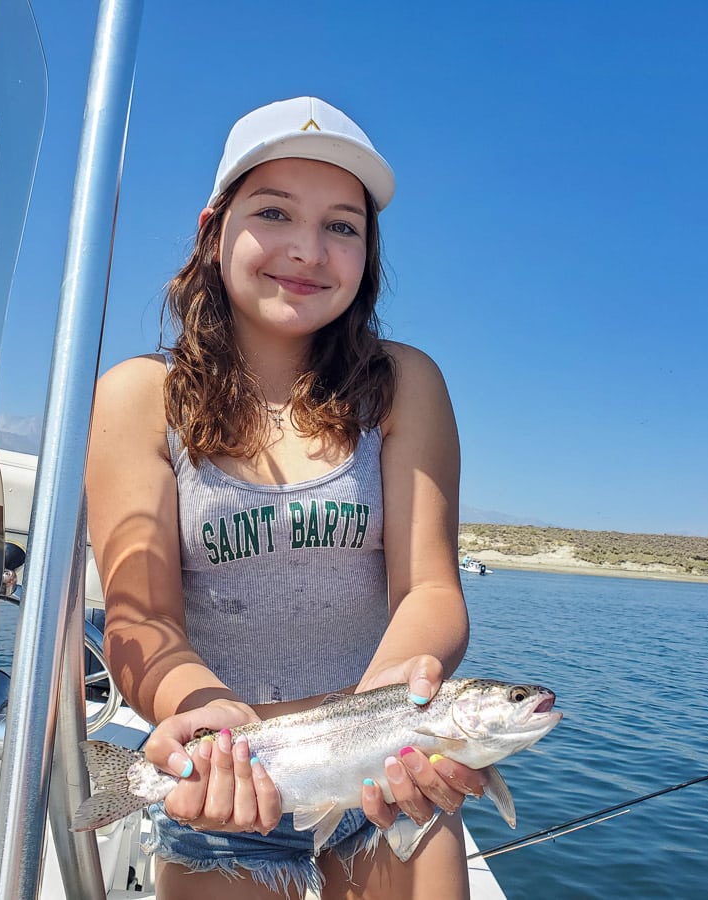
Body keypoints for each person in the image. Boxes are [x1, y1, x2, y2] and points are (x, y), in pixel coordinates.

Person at [86, 96, 479, 899]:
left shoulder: (404, 385)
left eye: (342, 225)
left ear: (368, 254)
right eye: (274, 212)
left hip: (383, 776)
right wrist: (198, 713)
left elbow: (431, 589)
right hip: (223, 785)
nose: (307, 250)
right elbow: (140, 619)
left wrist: (384, 724)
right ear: (213, 228)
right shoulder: (137, 397)